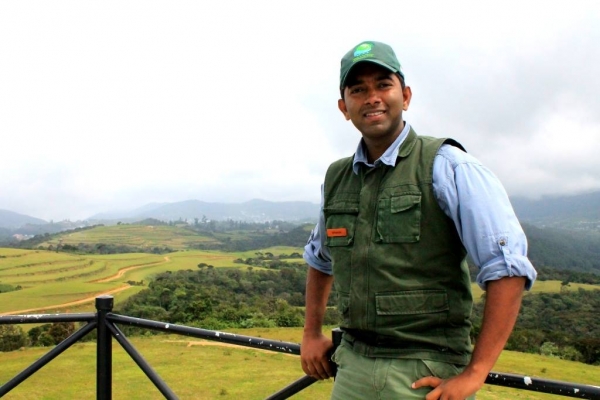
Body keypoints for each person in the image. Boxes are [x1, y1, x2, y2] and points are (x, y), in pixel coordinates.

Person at [300, 40, 537, 400]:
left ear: (406, 96)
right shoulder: (337, 177)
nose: (372, 97)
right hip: (352, 366)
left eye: (383, 84)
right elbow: (320, 258)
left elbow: (507, 266)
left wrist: (475, 372)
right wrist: (311, 333)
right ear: (343, 107)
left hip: (428, 371)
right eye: (358, 89)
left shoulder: (447, 165)